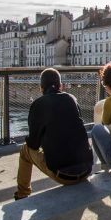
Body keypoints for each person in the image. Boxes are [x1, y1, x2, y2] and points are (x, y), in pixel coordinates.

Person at [14, 68, 93, 200]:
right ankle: (23, 193)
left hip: (63, 175)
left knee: (25, 150)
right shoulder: (71, 99)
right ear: (60, 86)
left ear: (41, 88)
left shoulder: (38, 105)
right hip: (86, 169)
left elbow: (33, 143)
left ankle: (22, 193)